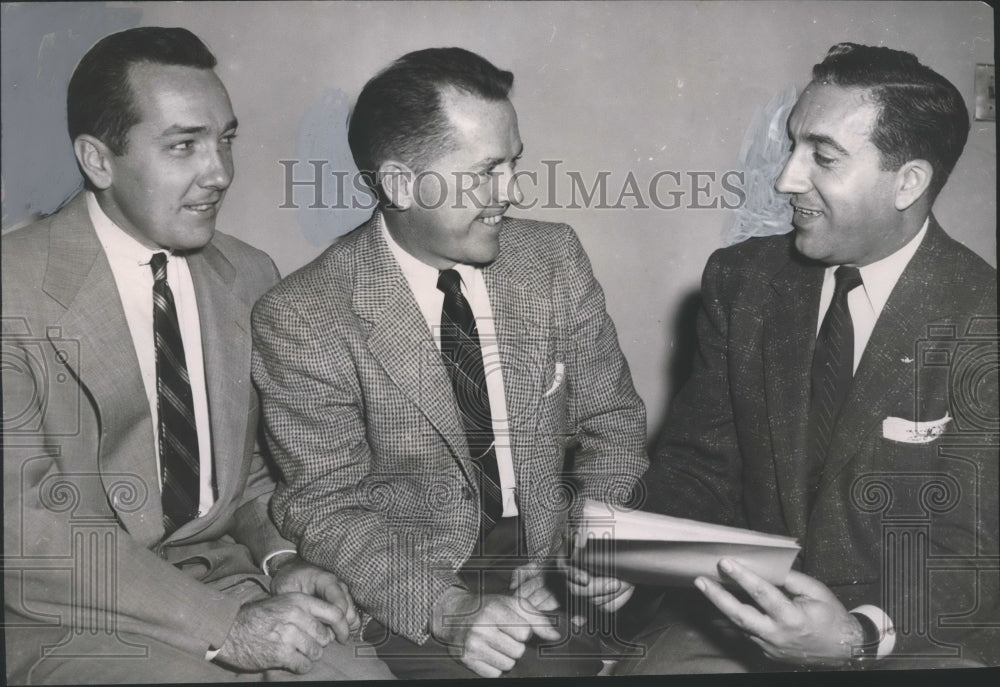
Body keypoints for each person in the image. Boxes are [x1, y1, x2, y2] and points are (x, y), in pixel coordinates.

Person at [2, 26, 392, 683]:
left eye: (225, 139)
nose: (220, 173)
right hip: (67, 611)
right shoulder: (11, 287)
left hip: (229, 578)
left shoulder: (247, 274)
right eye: (184, 145)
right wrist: (227, 629)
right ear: (99, 160)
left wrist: (282, 559)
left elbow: (251, 475)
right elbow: (28, 533)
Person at [251, 47, 648, 678]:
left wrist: (590, 554)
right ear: (400, 183)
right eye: (487, 171)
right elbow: (324, 507)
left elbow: (616, 426)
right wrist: (449, 609)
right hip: (411, 584)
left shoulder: (553, 260)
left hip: (558, 559)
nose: (510, 192)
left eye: (514, 164)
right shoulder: (303, 314)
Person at [620, 43, 998, 674]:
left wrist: (856, 634)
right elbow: (700, 467)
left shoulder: (983, 318)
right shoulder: (740, 281)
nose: (787, 178)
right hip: (744, 617)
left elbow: (978, 551)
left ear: (908, 182)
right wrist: (631, 561)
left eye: (822, 157)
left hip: (908, 634)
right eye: (794, 147)